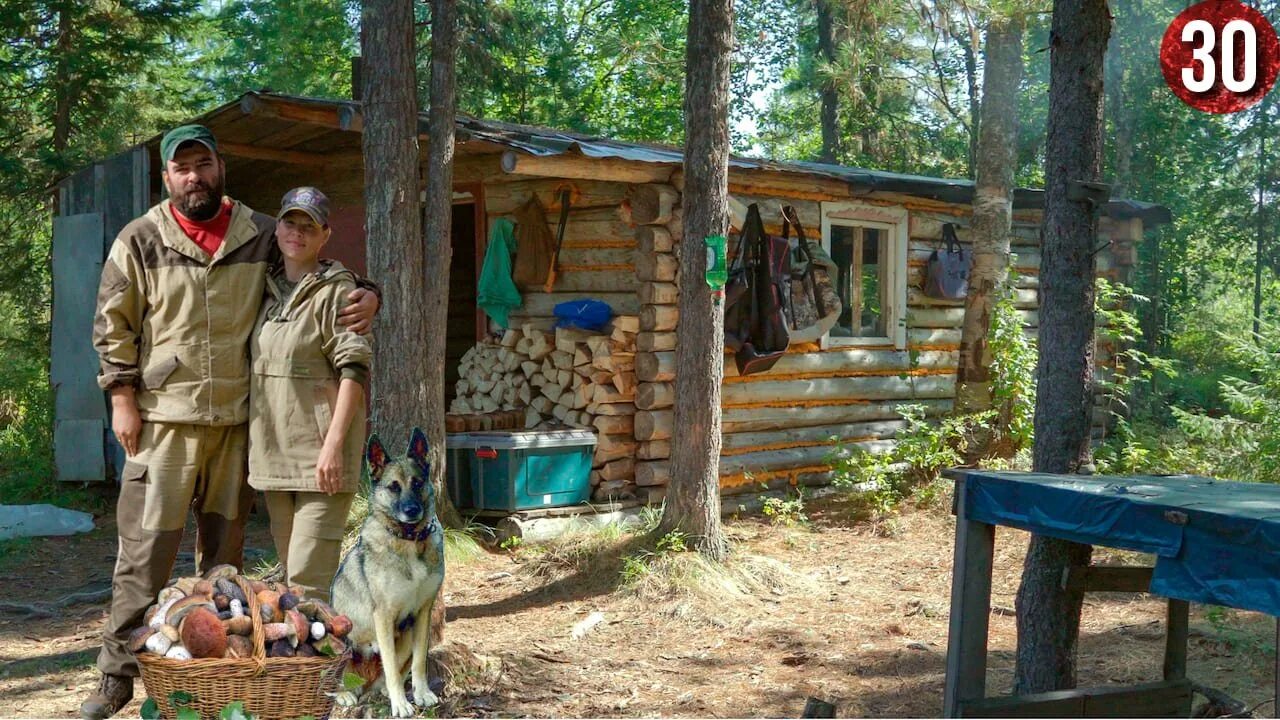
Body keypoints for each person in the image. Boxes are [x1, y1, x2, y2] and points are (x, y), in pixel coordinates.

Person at [83, 125, 379, 720]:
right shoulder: (140, 239)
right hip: (162, 425)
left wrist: (368, 291)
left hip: (237, 429)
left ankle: (216, 685)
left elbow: (314, 268)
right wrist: (120, 397)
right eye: (182, 168)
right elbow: (113, 323)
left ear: (220, 168)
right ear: (167, 178)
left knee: (224, 572)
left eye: (204, 164)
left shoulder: (258, 233)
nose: (195, 176)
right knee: (143, 560)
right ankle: (115, 678)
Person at [248, 187, 370, 602]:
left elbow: (354, 369)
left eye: (308, 226)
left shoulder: (338, 291)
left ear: (325, 235)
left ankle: (329, 668)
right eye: (290, 223)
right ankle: (304, 664)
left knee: (307, 582)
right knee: (291, 583)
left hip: (322, 460)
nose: (297, 233)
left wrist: (334, 446)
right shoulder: (262, 289)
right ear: (277, 226)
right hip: (274, 455)